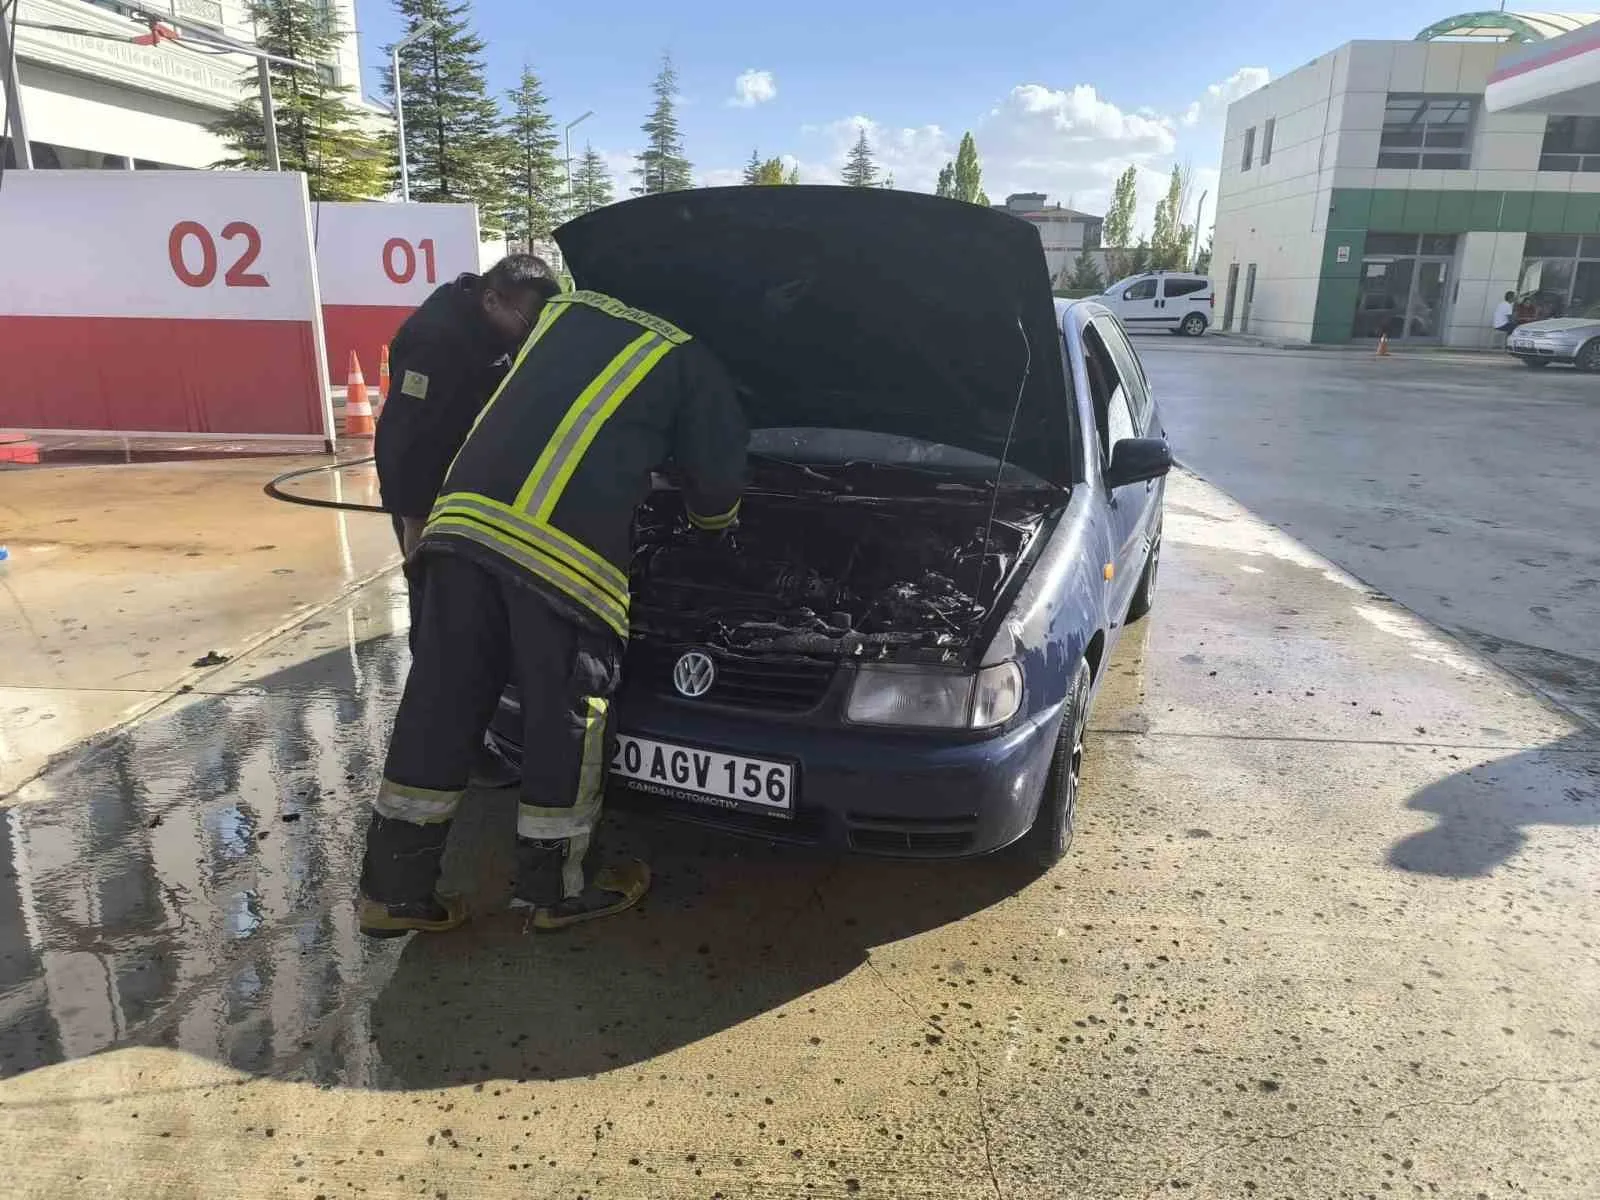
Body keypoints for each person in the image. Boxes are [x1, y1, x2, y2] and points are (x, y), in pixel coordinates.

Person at [358, 289, 748, 937]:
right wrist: (717, 532)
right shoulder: (691, 362)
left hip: (458, 532)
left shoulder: (569, 312)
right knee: (566, 717)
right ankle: (560, 891)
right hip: (561, 560)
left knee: (439, 705)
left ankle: (392, 892)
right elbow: (717, 486)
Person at [374, 255, 561, 630]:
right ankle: (430, 666)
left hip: (469, 479)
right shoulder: (435, 342)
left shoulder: (491, 325)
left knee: (470, 600)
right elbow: (406, 436)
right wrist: (415, 518)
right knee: (436, 601)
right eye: (527, 322)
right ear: (492, 300)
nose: (529, 333)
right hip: (428, 490)